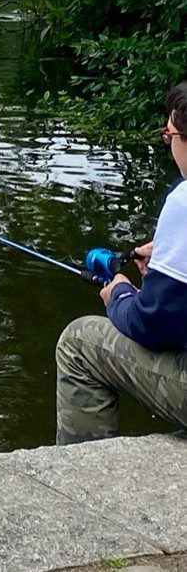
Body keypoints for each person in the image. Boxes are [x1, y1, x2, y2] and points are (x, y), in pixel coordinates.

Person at [55, 82, 187, 444]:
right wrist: (168, 261)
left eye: (168, 134)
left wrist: (122, 294)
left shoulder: (184, 200)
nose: (168, 143)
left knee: (78, 342)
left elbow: (157, 326)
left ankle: (82, 480)